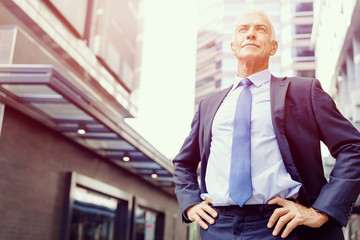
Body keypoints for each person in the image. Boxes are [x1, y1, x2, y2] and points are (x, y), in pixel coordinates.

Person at [172, 9, 360, 240]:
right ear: (233, 46)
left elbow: (353, 148)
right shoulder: (208, 105)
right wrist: (190, 203)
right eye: (243, 29)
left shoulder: (304, 92)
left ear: (273, 47)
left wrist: (321, 211)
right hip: (217, 226)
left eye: (260, 29)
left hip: (280, 226)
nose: (250, 34)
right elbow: (183, 162)